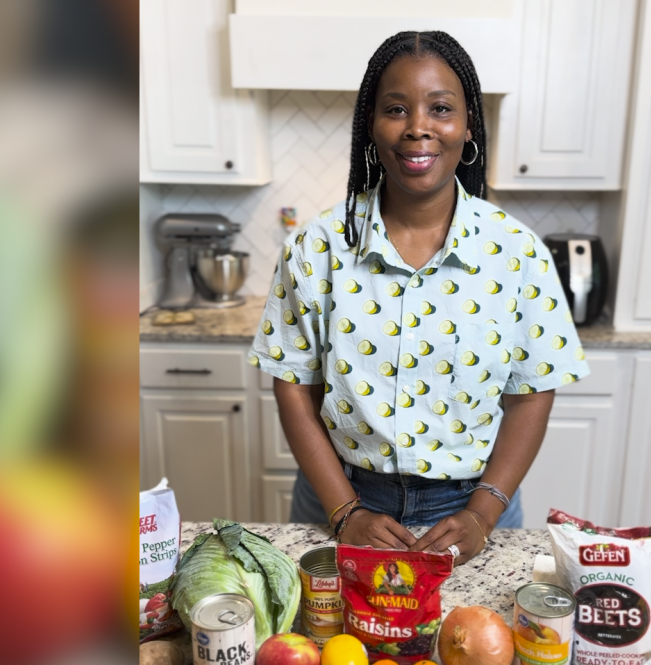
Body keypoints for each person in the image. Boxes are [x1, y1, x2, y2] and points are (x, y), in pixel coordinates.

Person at [248, 31, 590, 563]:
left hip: (472, 511)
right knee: (330, 645)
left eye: (441, 108)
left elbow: (532, 394)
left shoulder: (517, 253)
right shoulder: (317, 247)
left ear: (468, 124)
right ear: (371, 123)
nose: (418, 128)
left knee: (475, 646)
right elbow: (293, 386)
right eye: (396, 109)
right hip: (337, 501)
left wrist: (482, 513)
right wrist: (345, 511)